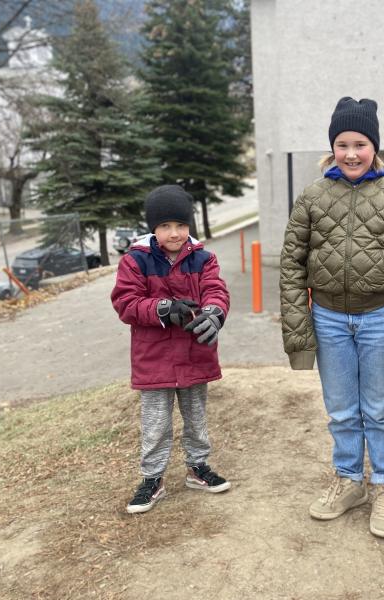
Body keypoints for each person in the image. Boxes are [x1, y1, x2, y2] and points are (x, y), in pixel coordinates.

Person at [280, 97, 384, 538]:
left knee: (379, 411)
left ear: (373, 147)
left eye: (360, 143)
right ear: (332, 147)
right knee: (343, 410)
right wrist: (299, 333)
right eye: (342, 143)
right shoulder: (312, 196)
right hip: (327, 318)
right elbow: (291, 266)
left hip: (380, 317)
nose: (350, 153)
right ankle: (349, 481)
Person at [111, 184, 231, 514]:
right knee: (156, 424)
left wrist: (215, 313)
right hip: (154, 360)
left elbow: (215, 290)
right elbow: (126, 303)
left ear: (189, 226)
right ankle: (152, 479)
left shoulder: (204, 258)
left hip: (195, 354)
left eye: (180, 225)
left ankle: (198, 467)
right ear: (153, 228)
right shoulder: (135, 261)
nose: (174, 233)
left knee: (196, 417)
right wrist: (164, 307)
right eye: (165, 226)